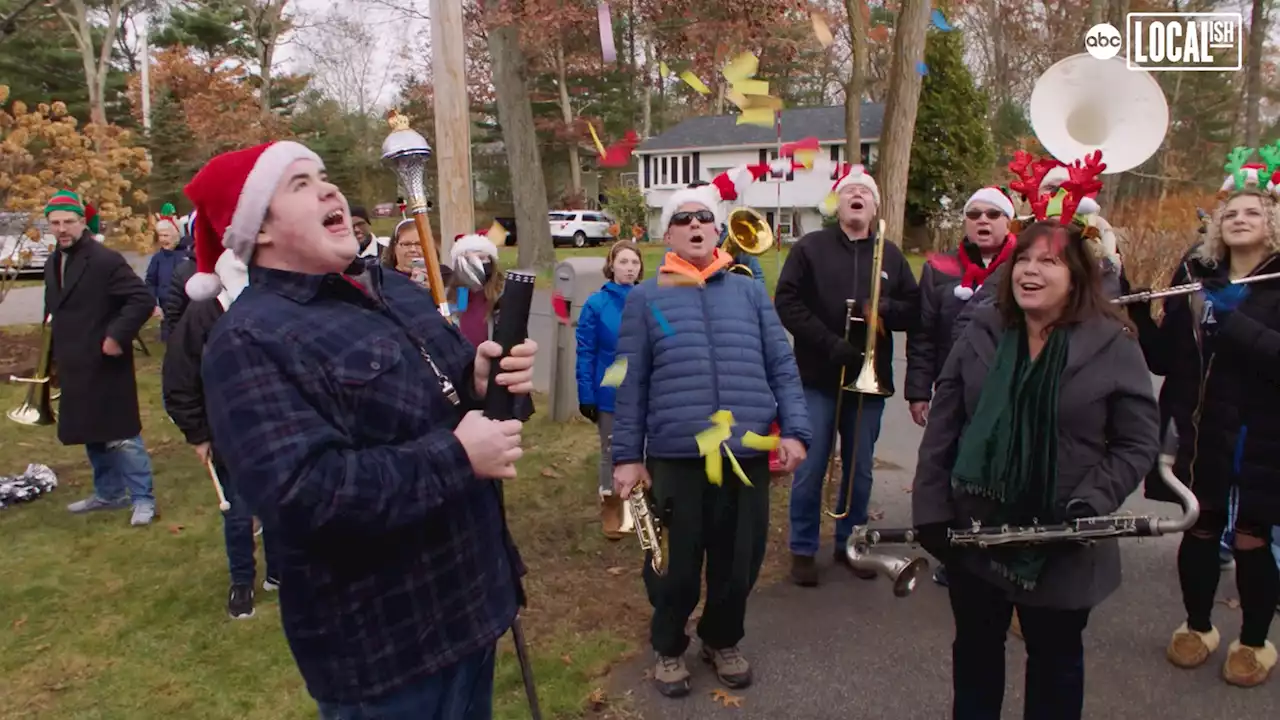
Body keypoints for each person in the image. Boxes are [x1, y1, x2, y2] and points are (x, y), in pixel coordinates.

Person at [185, 141, 539, 716]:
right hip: (388, 652)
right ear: (260, 230)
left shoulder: (392, 289)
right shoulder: (248, 340)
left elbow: (449, 403)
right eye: (299, 184)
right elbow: (305, 494)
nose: (329, 189)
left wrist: (481, 384)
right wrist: (457, 456)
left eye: (323, 176)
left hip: (473, 601)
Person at [913, 218, 1160, 720]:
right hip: (976, 531)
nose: (1029, 270)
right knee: (976, 657)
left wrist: (1092, 501)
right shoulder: (982, 328)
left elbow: (1137, 442)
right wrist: (932, 507)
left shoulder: (1113, 342)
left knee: (1056, 664)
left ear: (1076, 275)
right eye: (1023, 259)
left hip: (1063, 536)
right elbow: (944, 424)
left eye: (1047, 261)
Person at [612, 161, 812, 698]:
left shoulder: (748, 292)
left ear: (719, 229)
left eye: (705, 217)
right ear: (668, 233)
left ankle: (722, 638)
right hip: (676, 458)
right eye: (684, 219)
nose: (696, 225)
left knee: (739, 562)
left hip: (744, 456)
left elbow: (781, 365)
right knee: (673, 566)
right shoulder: (645, 298)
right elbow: (629, 385)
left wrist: (795, 429)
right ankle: (669, 646)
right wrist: (626, 457)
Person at [1126, 150, 1280, 687]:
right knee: (1198, 526)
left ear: (1272, 224)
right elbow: (1165, 361)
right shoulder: (1195, 273)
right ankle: (1197, 626)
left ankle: (1256, 642)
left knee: (1252, 539)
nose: (1238, 219)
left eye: (1253, 213)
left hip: (1259, 432)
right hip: (1196, 426)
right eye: (1230, 213)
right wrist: (1142, 315)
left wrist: (1235, 319)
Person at [774, 163, 921, 587]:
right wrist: (829, 343)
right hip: (818, 376)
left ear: (874, 205)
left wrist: (883, 309)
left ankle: (851, 544)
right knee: (811, 465)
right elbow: (788, 301)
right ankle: (803, 549)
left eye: (866, 192)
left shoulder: (890, 254)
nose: (857, 196)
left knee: (860, 471)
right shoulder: (811, 248)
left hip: (867, 384)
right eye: (849, 190)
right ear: (838, 203)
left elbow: (914, 310)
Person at [905, 186, 1018, 588]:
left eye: (992, 214)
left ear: (1008, 221)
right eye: (974, 214)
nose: (983, 221)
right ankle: (957, 553)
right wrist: (919, 391)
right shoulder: (938, 268)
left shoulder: (1025, 265)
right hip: (956, 392)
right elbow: (922, 335)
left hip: (1010, 393)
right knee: (954, 471)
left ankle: (1004, 555)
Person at [163, 247, 282, 619]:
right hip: (227, 430)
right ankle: (241, 582)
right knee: (238, 510)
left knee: (280, 502)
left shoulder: (276, 308)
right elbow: (178, 378)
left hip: (277, 426)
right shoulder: (204, 314)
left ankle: (279, 572)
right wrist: (197, 433)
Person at [42, 189, 158, 527]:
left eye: (68, 222)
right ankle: (109, 494)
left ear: (82, 222)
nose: (62, 228)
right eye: (55, 223)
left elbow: (140, 299)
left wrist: (115, 336)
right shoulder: (54, 260)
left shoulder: (105, 259)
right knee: (90, 430)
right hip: (74, 361)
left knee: (121, 433)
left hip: (106, 361)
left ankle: (143, 498)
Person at [575, 240, 643, 538]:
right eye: (624, 262)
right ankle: (611, 504)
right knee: (611, 449)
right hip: (610, 390)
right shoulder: (596, 304)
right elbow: (585, 352)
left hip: (644, 390)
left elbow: (667, 335)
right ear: (612, 265)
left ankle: (642, 507)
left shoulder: (648, 299)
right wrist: (586, 394)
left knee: (645, 448)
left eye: (634, 263)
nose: (629, 268)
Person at [448, 231, 503, 347]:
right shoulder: (459, 294)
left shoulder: (501, 294)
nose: (476, 263)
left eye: (482, 258)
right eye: (469, 259)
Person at [144, 203, 189, 342]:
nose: (163, 239)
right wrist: (154, 304)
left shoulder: (186, 256)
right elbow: (150, 282)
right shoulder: (157, 258)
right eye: (160, 236)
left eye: (166, 235)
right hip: (166, 308)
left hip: (186, 307)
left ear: (175, 235)